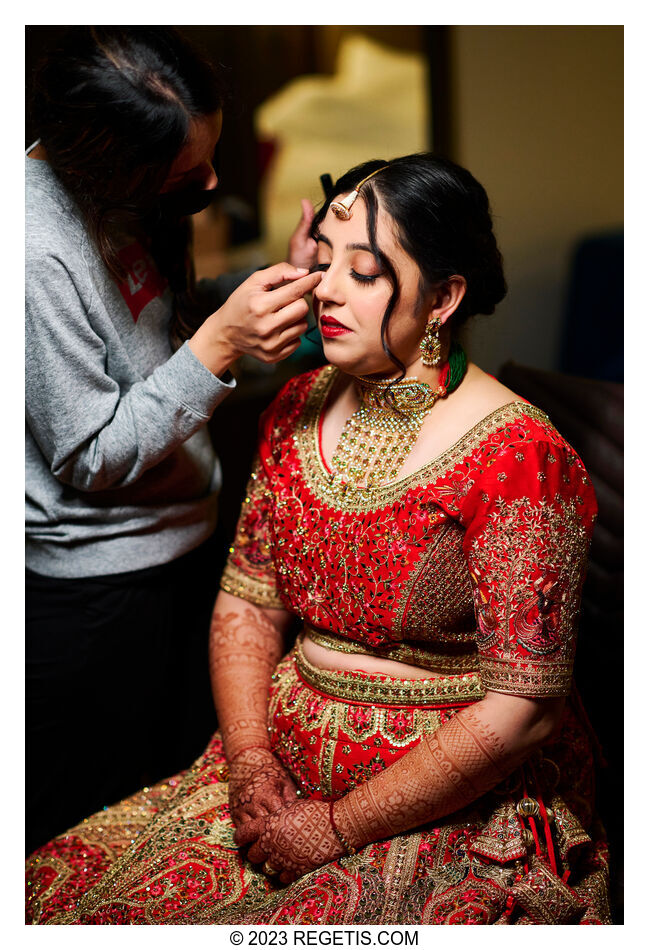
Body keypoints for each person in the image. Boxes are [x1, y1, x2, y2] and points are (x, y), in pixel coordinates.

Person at [25, 153, 611, 925]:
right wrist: (249, 759)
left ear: (442, 297)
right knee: (53, 891)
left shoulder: (515, 455)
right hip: (273, 766)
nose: (324, 287)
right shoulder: (297, 405)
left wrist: (338, 827)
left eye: (363, 272)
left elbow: (523, 708)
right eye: (325, 261)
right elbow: (246, 603)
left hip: (453, 801)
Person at [25, 26, 321, 856]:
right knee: (92, 840)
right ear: (103, 166)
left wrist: (255, 289)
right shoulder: (31, 249)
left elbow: (152, 332)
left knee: (182, 818)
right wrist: (221, 345)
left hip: (182, 549)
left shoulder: (130, 201)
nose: (214, 183)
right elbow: (90, 455)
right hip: (95, 600)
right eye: (189, 177)